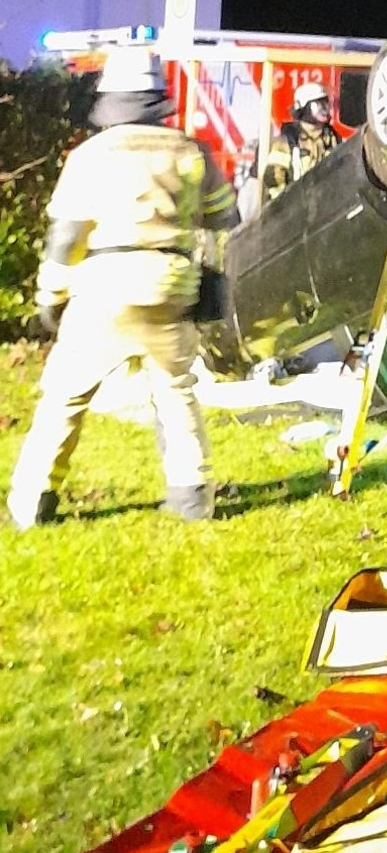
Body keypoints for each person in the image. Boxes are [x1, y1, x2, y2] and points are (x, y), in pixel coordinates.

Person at [5, 47, 239, 531]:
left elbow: (66, 237)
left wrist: (51, 297)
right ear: (158, 99)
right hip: (172, 287)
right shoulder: (192, 152)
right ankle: (193, 498)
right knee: (176, 391)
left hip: (104, 290)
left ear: (110, 100)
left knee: (65, 397)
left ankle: (32, 503)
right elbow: (224, 217)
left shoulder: (91, 155)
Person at [263, 82, 341, 200]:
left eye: (326, 103)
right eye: (319, 104)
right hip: (296, 205)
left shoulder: (332, 138)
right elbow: (273, 178)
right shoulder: (287, 141)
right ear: (304, 108)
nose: (325, 109)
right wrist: (286, 204)